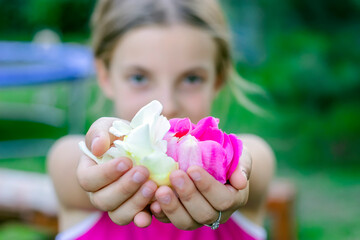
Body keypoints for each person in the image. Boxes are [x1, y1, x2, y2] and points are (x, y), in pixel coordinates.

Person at [47, 0, 275, 239]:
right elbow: (73, 166)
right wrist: (101, 153)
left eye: (191, 79)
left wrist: (234, 166)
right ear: (104, 75)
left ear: (217, 80)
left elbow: (255, 160)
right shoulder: (69, 164)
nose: (167, 104)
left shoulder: (242, 168)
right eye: (138, 78)